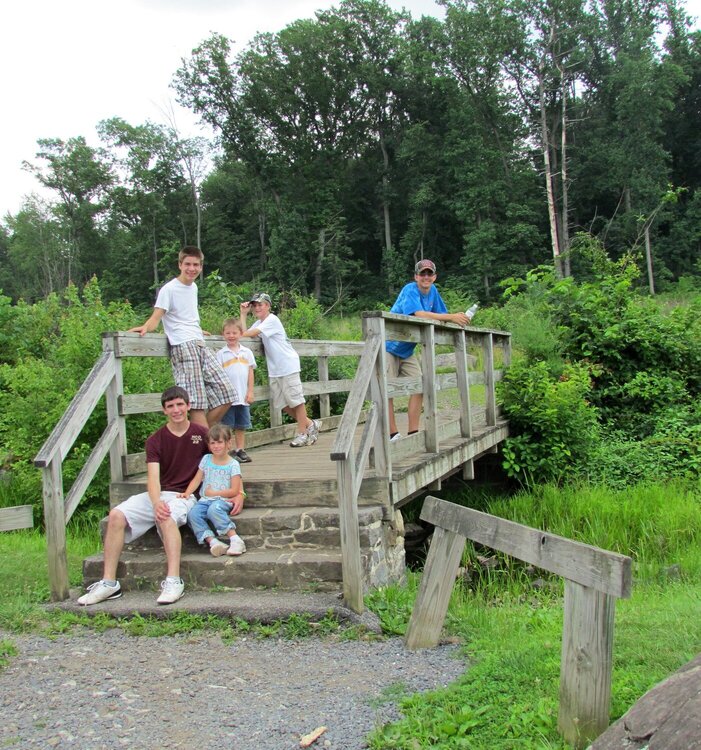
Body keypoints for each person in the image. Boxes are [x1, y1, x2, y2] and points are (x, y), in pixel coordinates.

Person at [78, 386, 209, 606]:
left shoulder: (202, 433)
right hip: (159, 492)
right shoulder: (155, 440)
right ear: (164, 410)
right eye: (170, 406)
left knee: (166, 517)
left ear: (188, 406)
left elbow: (219, 462)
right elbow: (153, 477)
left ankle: (173, 580)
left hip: (184, 495)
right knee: (116, 515)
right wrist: (156, 502)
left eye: (179, 405)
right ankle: (109, 583)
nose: (176, 410)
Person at [129, 246, 237, 428]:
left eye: (196, 265)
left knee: (228, 393)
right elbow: (157, 316)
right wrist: (145, 327)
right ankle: (201, 447)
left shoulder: (193, 287)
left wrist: (197, 329)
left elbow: (185, 315)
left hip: (198, 342)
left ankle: (197, 437)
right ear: (180, 265)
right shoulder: (169, 289)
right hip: (182, 345)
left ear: (201, 267)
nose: (191, 269)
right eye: (187, 264)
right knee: (195, 403)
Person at [385, 259, 470, 440]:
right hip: (388, 346)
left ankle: (413, 432)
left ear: (434, 277)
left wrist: (457, 320)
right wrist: (451, 317)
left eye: (429, 273)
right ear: (416, 276)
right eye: (422, 273)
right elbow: (419, 314)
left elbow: (442, 317)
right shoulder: (410, 290)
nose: (425, 277)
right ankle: (392, 434)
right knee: (387, 389)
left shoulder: (433, 292)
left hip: (407, 350)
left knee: (421, 385)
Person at [239, 292, 321, 448]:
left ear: (268, 306)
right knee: (282, 404)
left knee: (296, 401)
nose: (257, 308)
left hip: (287, 365)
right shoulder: (259, 323)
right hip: (275, 368)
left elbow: (245, 334)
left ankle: (302, 434)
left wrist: (244, 319)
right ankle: (310, 424)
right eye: (255, 305)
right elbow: (245, 335)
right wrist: (243, 314)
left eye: (260, 304)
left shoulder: (272, 320)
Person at [181, 423, 247, 557]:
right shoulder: (206, 459)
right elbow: (197, 479)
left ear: (229, 443)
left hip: (223, 500)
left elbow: (234, 490)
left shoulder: (233, 464)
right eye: (212, 443)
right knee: (193, 514)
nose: (216, 446)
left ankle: (235, 539)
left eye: (219, 442)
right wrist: (187, 492)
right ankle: (213, 542)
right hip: (205, 500)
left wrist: (214, 493)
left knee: (214, 509)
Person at [216, 318, 257, 463]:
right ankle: (229, 450)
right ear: (223, 334)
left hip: (242, 395)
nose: (231, 336)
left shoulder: (246, 352)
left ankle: (241, 449)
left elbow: (251, 372)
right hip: (228, 398)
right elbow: (218, 376)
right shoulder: (221, 354)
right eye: (228, 333)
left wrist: (250, 391)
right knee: (227, 425)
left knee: (241, 425)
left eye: (234, 333)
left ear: (240, 334)